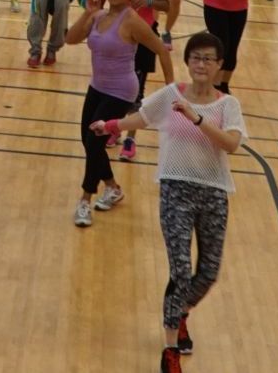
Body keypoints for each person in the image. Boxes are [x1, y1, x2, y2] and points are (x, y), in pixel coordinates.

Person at [90, 32, 244, 373]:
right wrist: (110, 125)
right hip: (175, 190)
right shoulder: (172, 94)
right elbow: (142, 118)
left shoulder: (227, 105)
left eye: (208, 59)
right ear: (187, 61)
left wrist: (196, 118)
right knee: (180, 271)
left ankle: (181, 311)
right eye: (196, 58)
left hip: (213, 193)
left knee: (208, 273)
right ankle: (170, 348)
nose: (201, 64)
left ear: (220, 65)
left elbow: (231, 144)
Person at [66, 0, 175, 227]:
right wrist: (87, 13)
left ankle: (85, 200)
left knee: (94, 143)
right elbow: (70, 39)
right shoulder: (97, 15)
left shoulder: (132, 21)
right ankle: (113, 187)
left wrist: (171, 89)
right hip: (97, 87)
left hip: (122, 91)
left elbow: (161, 50)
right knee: (88, 142)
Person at [112, 0, 174, 160]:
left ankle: (130, 138)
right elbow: (102, 0)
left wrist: (148, 1)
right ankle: (114, 128)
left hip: (144, 36)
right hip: (117, 36)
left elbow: (166, 4)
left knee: (136, 92)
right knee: (115, 88)